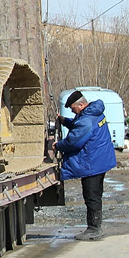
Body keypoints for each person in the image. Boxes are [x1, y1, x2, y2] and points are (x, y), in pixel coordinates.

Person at [52, 91, 118, 241]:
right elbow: (79, 126)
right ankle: (95, 227)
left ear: (81, 105)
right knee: (95, 195)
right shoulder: (94, 113)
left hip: (92, 164)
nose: (71, 110)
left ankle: (94, 229)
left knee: (91, 196)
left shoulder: (86, 120)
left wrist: (59, 145)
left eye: (73, 108)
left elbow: (75, 140)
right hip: (100, 161)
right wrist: (65, 121)